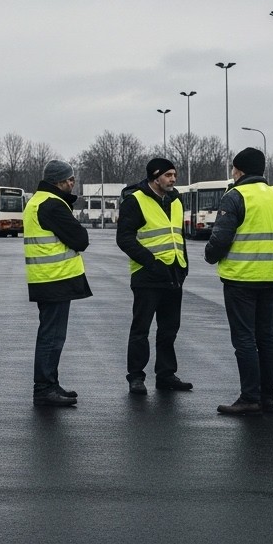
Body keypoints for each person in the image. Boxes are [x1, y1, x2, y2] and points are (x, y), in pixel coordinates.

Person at [204, 147, 273, 416]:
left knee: (244, 339)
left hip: (241, 278)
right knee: (267, 338)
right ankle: (268, 397)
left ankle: (249, 397)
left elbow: (220, 237)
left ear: (238, 170)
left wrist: (210, 256)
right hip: (271, 277)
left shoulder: (235, 196)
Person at [117, 158, 191, 395]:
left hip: (173, 273)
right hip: (147, 276)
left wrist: (184, 264)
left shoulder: (176, 199)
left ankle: (166, 374)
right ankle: (136, 377)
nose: (173, 179)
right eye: (168, 175)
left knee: (169, 329)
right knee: (141, 329)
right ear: (155, 176)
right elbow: (125, 239)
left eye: (174, 175)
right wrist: (151, 262)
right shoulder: (134, 201)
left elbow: (177, 234)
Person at [24, 159, 93, 407]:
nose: (73, 183)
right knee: (52, 337)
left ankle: (50, 384)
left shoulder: (38, 201)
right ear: (59, 181)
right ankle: (44, 388)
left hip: (47, 278)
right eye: (70, 179)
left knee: (51, 335)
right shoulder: (53, 205)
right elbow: (80, 239)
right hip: (55, 278)